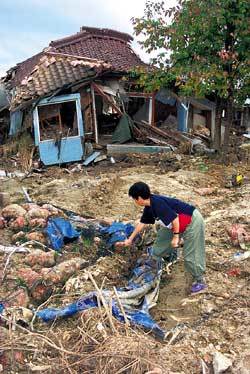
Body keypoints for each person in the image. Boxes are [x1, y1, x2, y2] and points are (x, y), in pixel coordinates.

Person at [117, 182, 206, 294]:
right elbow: (142, 223)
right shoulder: (149, 206)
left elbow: (174, 219)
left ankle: (200, 280)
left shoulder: (158, 204)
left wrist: (176, 237)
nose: (135, 202)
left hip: (191, 221)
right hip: (178, 223)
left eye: (134, 199)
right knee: (161, 241)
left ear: (139, 198)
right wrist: (130, 239)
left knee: (191, 254)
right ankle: (154, 263)